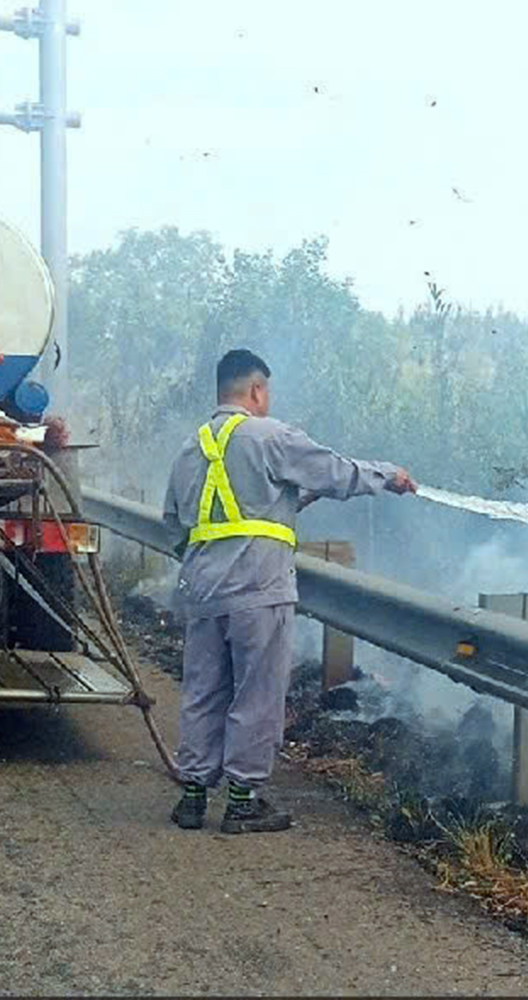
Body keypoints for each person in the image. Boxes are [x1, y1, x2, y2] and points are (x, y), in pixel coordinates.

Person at [160, 348, 415, 833]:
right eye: (267, 392)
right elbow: (338, 470)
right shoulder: (270, 436)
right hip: (259, 590)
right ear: (256, 390)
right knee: (256, 695)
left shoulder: (190, 449)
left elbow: (176, 525)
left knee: (202, 693)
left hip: (202, 593)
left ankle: (192, 798)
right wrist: (390, 476)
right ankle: (242, 801)